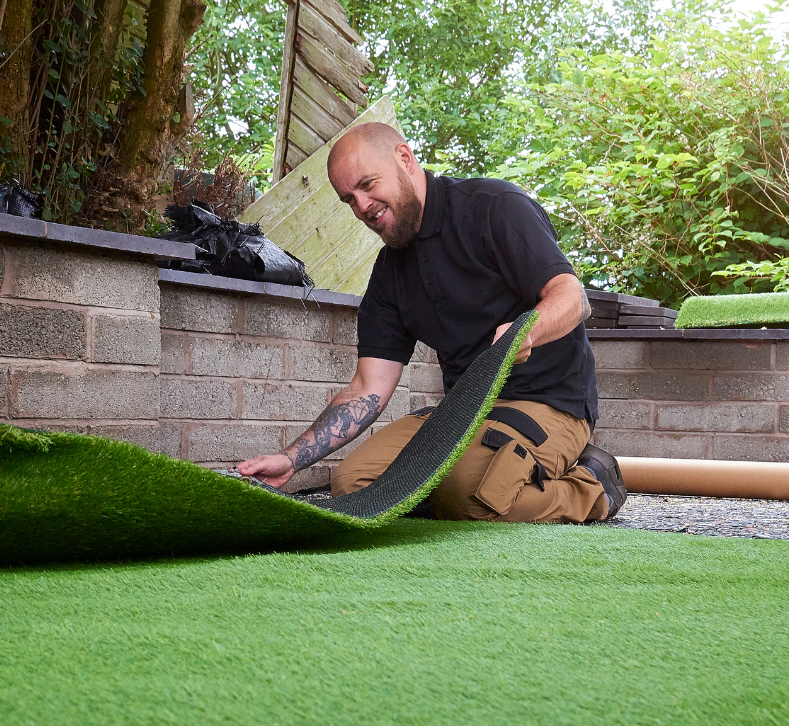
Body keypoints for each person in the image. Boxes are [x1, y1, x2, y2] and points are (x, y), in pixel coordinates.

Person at [236, 123, 629, 523]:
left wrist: (530, 328)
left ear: (405, 160)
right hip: (462, 413)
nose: (363, 206)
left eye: (368, 184)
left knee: (468, 496)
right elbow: (368, 387)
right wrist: (291, 459)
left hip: (551, 403)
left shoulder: (494, 206)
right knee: (353, 484)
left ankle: (592, 487)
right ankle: (468, 489)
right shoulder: (389, 272)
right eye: (348, 200)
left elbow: (571, 296)